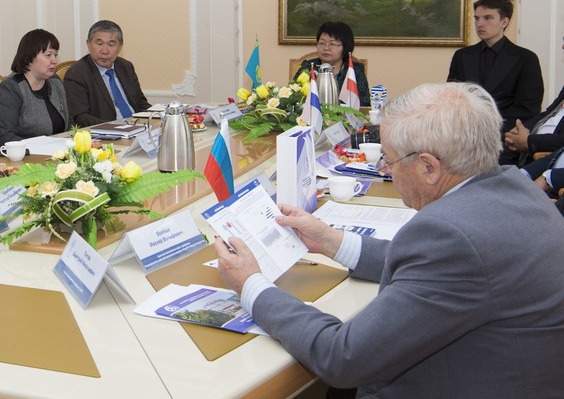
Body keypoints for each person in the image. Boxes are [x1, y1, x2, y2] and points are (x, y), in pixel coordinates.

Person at [215, 82, 564, 398]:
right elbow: (444, 271)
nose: (386, 170)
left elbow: (342, 357)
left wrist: (251, 284)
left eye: (389, 160)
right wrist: (333, 241)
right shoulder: (517, 189)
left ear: (429, 167)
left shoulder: (451, 237)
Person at [447, 0, 543, 157]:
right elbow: (452, 98)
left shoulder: (526, 58)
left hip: (504, 141)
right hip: (464, 139)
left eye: (488, 18)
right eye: (477, 18)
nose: (480, 24)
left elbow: (528, 108)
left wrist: (489, 129)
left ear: (504, 22)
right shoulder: (462, 56)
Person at [0, 29, 70, 147]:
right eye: (48, 55)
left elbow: (69, 122)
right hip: (21, 155)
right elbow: (3, 136)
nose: (54, 61)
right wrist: (43, 147)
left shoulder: (55, 82)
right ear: (29, 58)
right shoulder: (10, 89)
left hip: (57, 152)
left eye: (55, 55)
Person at [63, 20, 151, 125]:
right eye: (99, 43)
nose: (105, 51)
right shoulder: (77, 73)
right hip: (107, 131)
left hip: (137, 127)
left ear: (120, 47)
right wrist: (116, 128)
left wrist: (158, 116)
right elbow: (81, 117)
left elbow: (141, 104)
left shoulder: (126, 67)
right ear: (88, 44)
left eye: (111, 44)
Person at [502, 36, 564, 165]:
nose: (562, 46)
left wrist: (528, 141)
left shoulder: (526, 58)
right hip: (532, 148)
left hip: (548, 160)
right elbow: (548, 114)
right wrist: (520, 131)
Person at [291, 21, 370, 106]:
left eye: (332, 44)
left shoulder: (354, 71)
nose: (326, 48)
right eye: (322, 43)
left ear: (345, 47)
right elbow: (292, 98)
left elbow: (364, 103)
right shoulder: (308, 67)